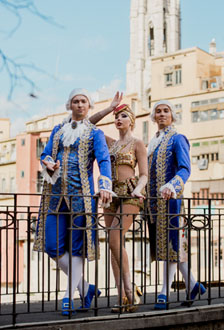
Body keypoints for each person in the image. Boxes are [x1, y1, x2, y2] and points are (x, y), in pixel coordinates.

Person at [33, 88, 121, 315]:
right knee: (52, 246)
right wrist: (49, 162)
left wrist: (105, 186)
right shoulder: (58, 130)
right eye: (76, 101)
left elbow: (103, 160)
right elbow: (45, 154)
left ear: (88, 106)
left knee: (76, 249)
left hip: (82, 197)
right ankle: (85, 287)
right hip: (55, 197)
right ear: (69, 105)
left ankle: (68, 296)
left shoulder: (95, 133)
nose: (80, 105)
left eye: (83, 101)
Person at [147, 100, 206, 310]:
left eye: (166, 111)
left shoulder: (177, 139)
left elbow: (185, 169)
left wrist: (172, 185)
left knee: (171, 246)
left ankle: (164, 291)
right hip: (154, 206)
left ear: (172, 115)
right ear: (153, 117)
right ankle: (193, 285)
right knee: (169, 247)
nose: (162, 114)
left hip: (172, 202)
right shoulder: (153, 143)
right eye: (158, 111)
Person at [90, 103, 148, 312]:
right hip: (111, 195)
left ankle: (130, 290)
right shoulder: (110, 143)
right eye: (116, 116)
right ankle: (123, 296)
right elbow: (88, 125)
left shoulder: (137, 143)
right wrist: (110, 108)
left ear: (131, 120)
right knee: (114, 246)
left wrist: (139, 189)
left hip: (131, 194)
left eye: (123, 115)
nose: (118, 119)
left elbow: (144, 174)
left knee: (114, 238)